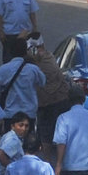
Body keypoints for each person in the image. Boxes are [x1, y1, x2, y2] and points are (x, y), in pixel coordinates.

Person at [29, 32, 70, 160]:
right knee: (61, 133)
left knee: (46, 134)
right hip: (61, 99)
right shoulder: (50, 56)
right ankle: (61, 160)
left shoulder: (35, 61)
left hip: (45, 103)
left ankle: (47, 161)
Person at [0, 38, 46, 133]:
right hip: (29, 114)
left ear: (11, 52)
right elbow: (43, 82)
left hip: (10, 115)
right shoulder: (33, 69)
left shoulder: (3, 70)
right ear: (25, 51)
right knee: (29, 144)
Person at [53, 86, 88, 175]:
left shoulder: (63, 118)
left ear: (68, 99)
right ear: (84, 99)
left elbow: (61, 143)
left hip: (69, 167)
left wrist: (58, 165)